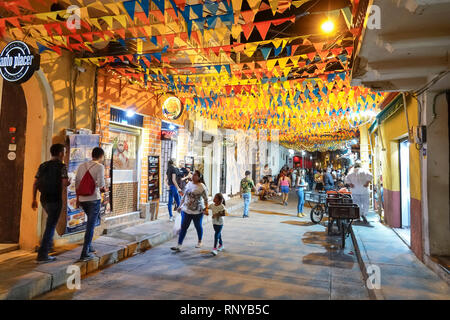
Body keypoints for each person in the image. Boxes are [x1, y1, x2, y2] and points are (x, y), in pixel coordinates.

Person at [32, 144, 69, 263]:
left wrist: (33, 199)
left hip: (44, 199)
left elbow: (35, 183)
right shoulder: (62, 166)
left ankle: (48, 246)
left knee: (50, 223)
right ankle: (43, 254)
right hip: (55, 199)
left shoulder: (43, 165)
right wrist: (69, 182)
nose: (64, 154)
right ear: (60, 153)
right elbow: (64, 183)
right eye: (64, 152)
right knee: (51, 226)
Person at [75, 147, 106, 261]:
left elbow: (77, 183)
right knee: (91, 226)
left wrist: (78, 199)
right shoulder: (100, 167)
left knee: (90, 223)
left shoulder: (81, 166)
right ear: (101, 156)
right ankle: (84, 252)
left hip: (83, 200)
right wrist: (104, 189)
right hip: (93, 199)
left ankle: (89, 246)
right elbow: (101, 184)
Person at [171, 170, 209, 251]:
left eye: (195, 175)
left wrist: (206, 209)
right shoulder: (189, 184)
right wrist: (180, 206)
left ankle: (200, 241)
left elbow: (206, 199)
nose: (193, 176)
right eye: (193, 175)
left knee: (198, 226)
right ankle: (179, 245)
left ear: (199, 177)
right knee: (183, 227)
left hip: (197, 211)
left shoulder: (202, 186)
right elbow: (184, 196)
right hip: (186, 210)